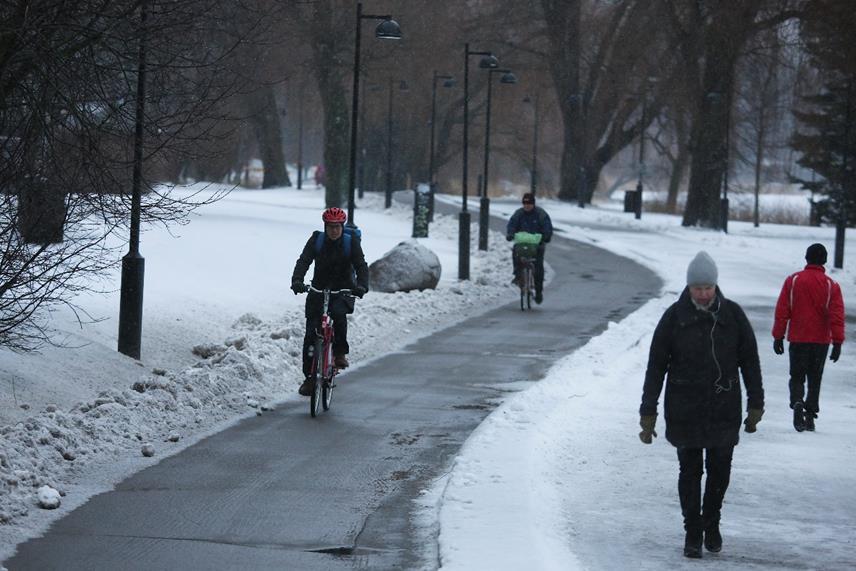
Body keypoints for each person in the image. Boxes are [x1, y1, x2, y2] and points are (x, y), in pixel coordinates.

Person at [639, 251, 764, 559]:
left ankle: (712, 522)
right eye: (698, 288)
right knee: (690, 471)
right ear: (689, 287)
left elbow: (750, 361)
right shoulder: (674, 317)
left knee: (720, 470)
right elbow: (656, 365)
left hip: (724, 406)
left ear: (715, 286)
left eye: (708, 288)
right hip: (685, 406)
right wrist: (648, 410)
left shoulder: (732, 316)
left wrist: (756, 402)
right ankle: (692, 530)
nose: (704, 294)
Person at [291, 207, 369, 396]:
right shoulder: (317, 240)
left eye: (337, 227)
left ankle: (340, 353)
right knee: (311, 334)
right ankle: (310, 379)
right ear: (325, 227)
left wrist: (361, 286)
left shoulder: (351, 243)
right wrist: (297, 280)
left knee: (339, 315)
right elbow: (304, 261)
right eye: (330, 227)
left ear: (342, 227)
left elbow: (361, 265)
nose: (334, 230)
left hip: (343, 289)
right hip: (318, 289)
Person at [772, 243, 845, 432]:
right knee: (815, 377)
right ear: (825, 261)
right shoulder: (831, 285)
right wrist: (837, 342)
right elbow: (836, 315)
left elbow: (783, 309)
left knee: (796, 375)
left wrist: (778, 336)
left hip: (798, 337)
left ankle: (797, 401)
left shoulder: (793, 280)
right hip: (821, 341)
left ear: (806, 258)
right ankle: (810, 414)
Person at [505, 192, 553, 304]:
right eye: (525, 203)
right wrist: (510, 234)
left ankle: (539, 291)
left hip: (537, 244)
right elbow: (511, 224)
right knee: (516, 253)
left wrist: (546, 237)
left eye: (529, 203)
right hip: (522, 243)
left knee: (538, 266)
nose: (527, 205)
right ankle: (517, 275)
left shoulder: (541, 214)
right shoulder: (518, 214)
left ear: (533, 204)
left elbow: (547, 227)